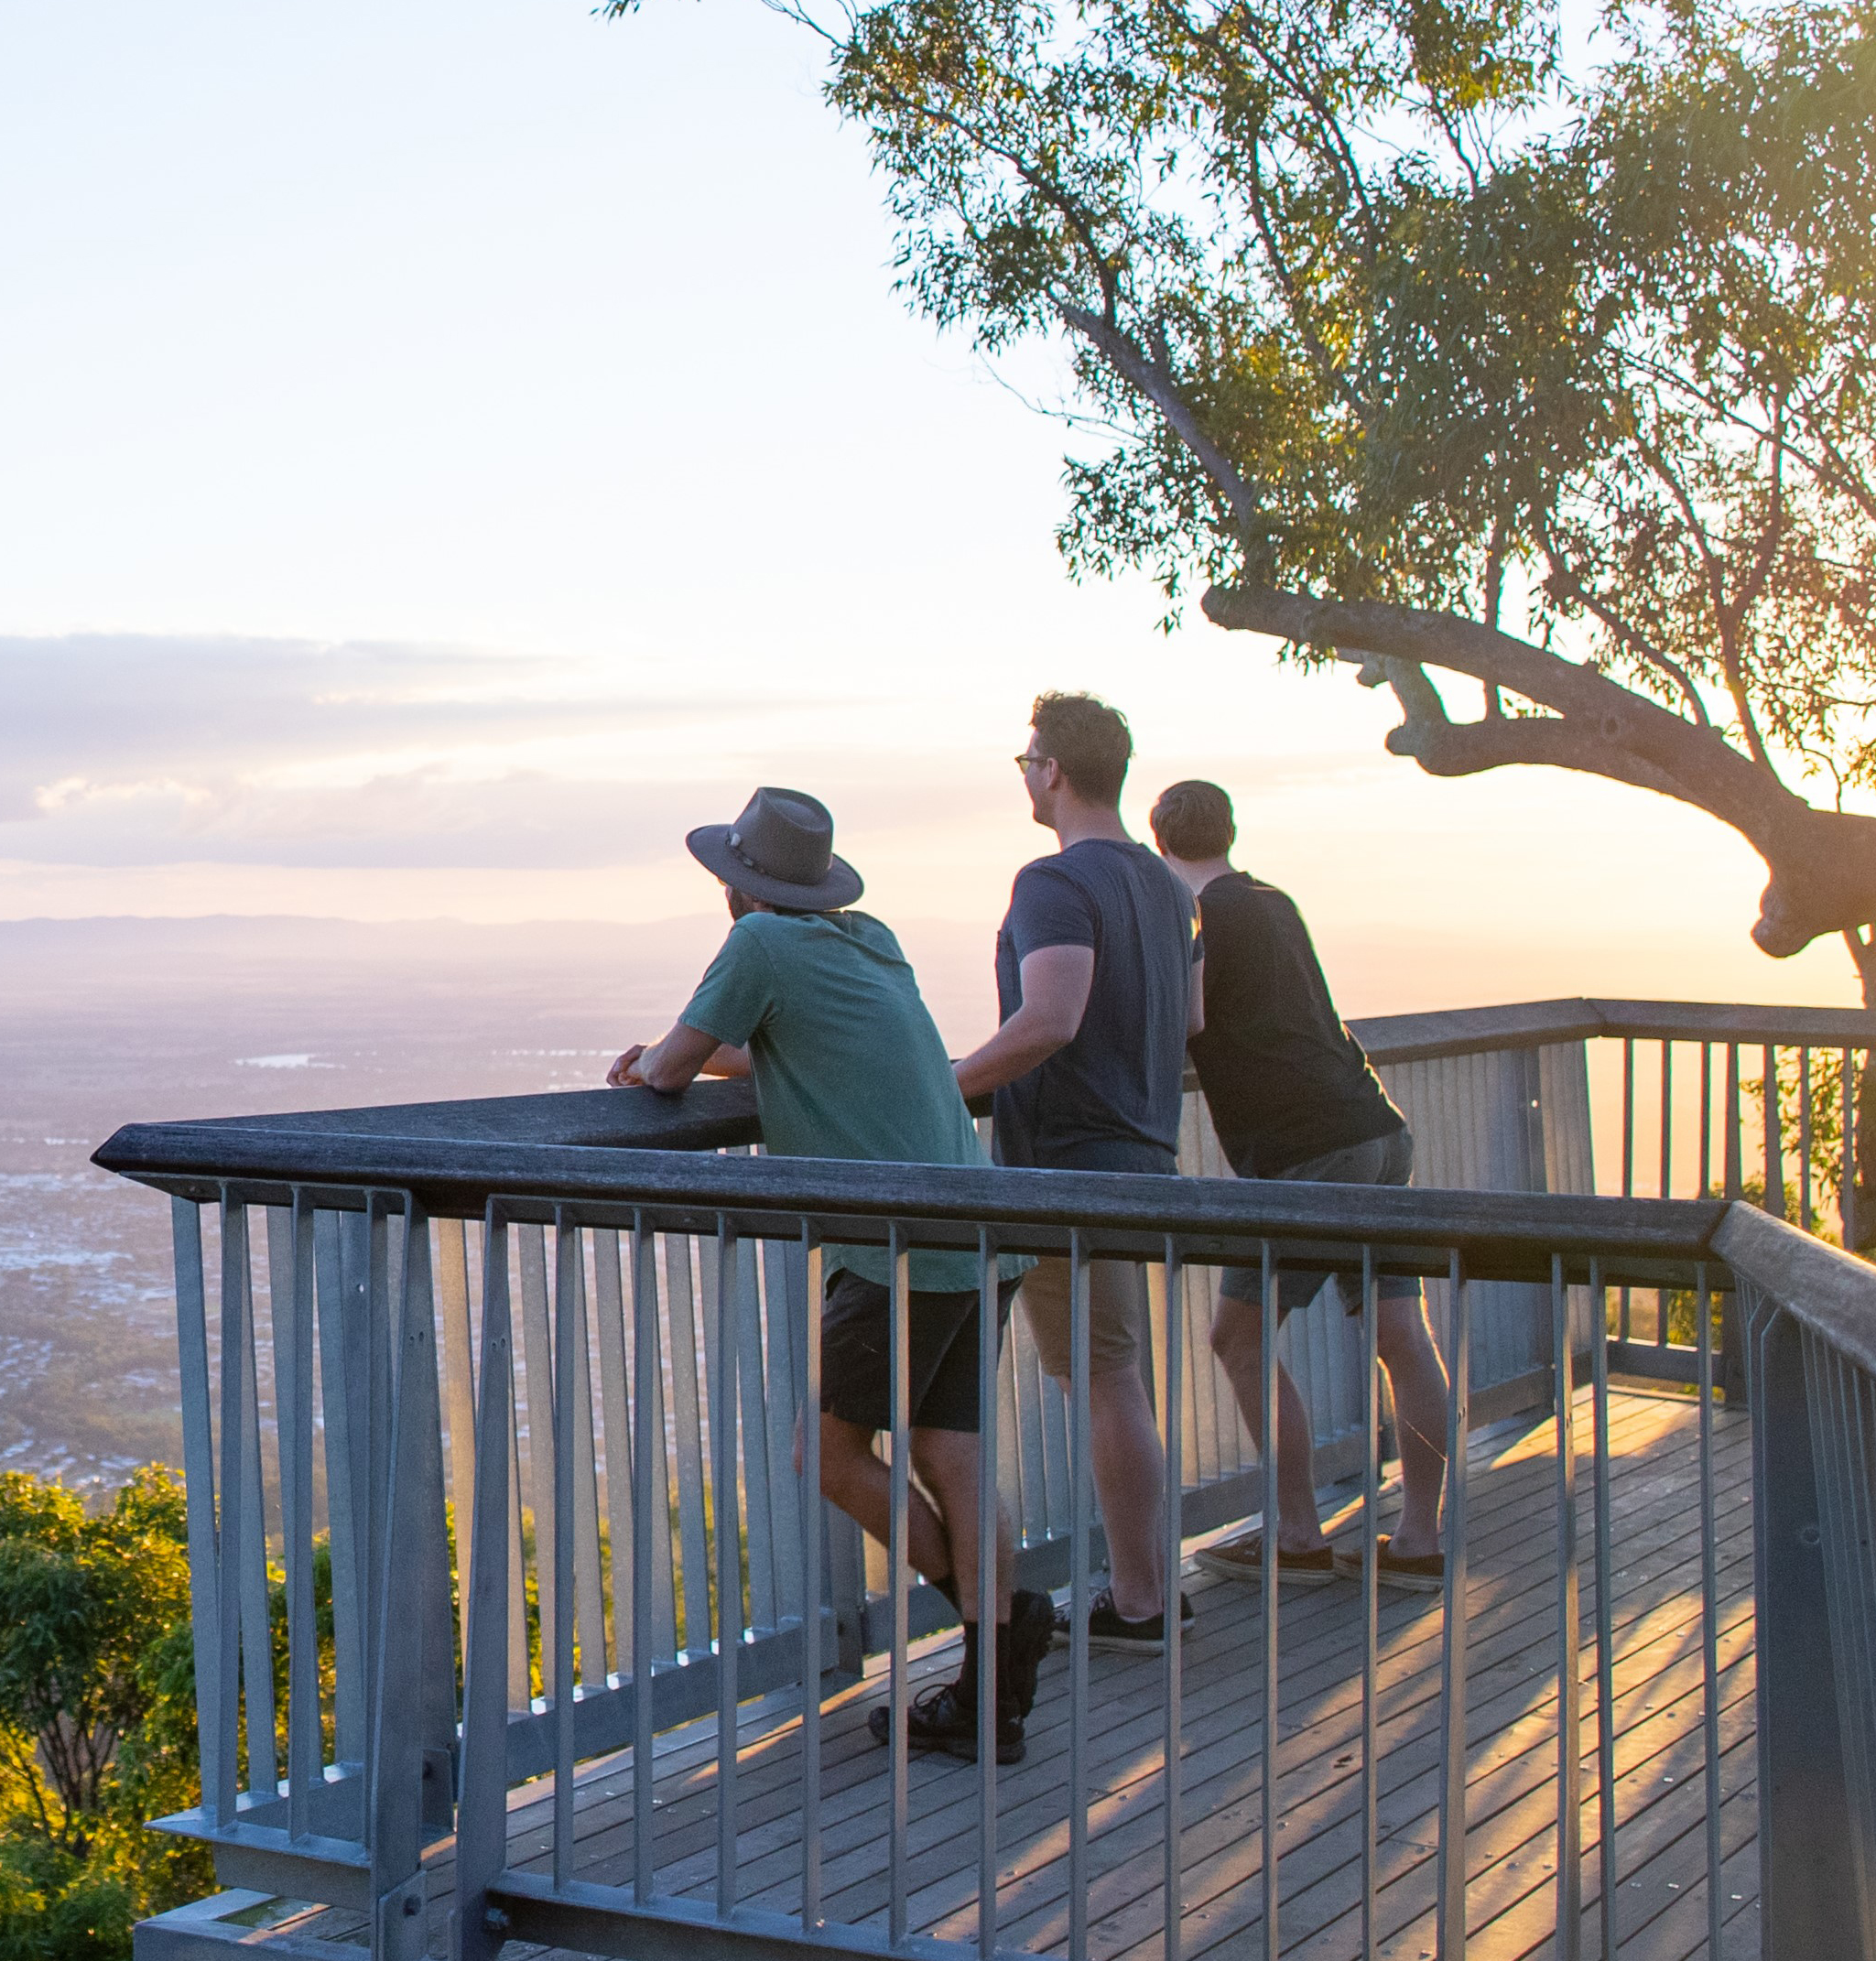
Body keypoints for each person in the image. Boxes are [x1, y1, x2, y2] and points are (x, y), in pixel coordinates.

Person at [612, 786, 1056, 1761]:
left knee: (831, 1457)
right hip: (975, 1225)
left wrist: (647, 1062)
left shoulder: (757, 946)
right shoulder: (869, 939)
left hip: (892, 1246)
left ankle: (1000, 1619)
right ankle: (990, 1689)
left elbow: (673, 1071)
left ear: (736, 888)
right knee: (952, 1455)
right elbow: (796, 1049)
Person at [1150, 779, 1457, 1585]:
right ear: (1228, 833)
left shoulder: (1196, 918)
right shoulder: (1271, 900)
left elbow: (1183, 1021)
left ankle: (1295, 1534)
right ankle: (1419, 1540)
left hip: (1307, 1151)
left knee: (1237, 1336)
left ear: (1159, 846)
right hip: (1375, 1128)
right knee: (1401, 1337)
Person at [950, 691, 1198, 1653]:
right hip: (1139, 1150)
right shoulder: (1164, 888)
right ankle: (1144, 1589)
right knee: (1114, 1373)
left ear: (1050, 771)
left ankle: (1140, 1600)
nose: (1024, 774)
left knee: (1103, 1379)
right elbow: (1185, 1025)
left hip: (1063, 1168)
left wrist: (947, 1090)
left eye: (1026, 760)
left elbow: (1048, 1019)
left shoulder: (1053, 884)